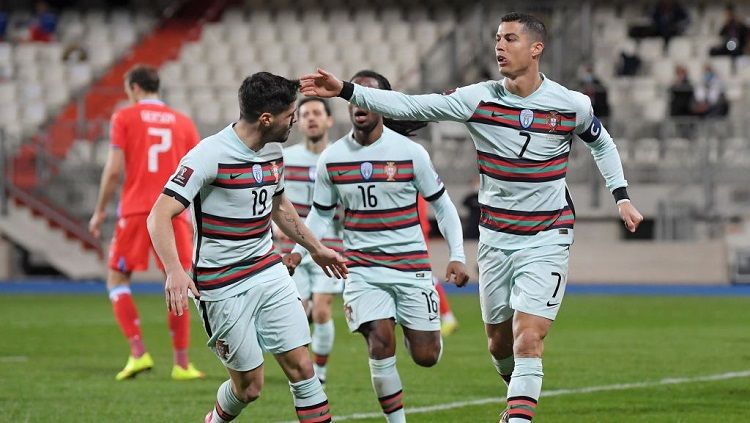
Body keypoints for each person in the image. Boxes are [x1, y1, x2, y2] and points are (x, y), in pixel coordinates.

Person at [299, 13, 643, 423]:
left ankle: (518, 417)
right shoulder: (478, 98)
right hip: (496, 237)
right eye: (497, 38)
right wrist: (348, 91)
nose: (499, 46)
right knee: (499, 345)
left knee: (528, 337)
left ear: (536, 48)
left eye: (510, 39)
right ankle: (516, 393)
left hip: (548, 233)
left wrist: (620, 195)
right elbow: (411, 104)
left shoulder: (571, 104)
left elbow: (602, 145)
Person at [147, 72, 347, 423]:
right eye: (290, 115)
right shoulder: (209, 154)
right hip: (220, 283)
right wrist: (175, 270)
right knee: (249, 388)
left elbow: (281, 207)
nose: (295, 121)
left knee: (303, 367)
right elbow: (159, 215)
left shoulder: (273, 151)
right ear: (266, 119)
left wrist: (314, 247)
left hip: (267, 271)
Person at [287, 70, 469, 423]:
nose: (360, 104)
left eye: (369, 97)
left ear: (383, 105)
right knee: (380, 343)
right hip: (363, 270)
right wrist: (301, 249)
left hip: (411, 267)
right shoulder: (333, 158)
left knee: (426, 356)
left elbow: (443, 205)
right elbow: (320, 214)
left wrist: (457, 256)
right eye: (355, 97)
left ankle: (419, 328)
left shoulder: (410, 153)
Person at [88, 64, 204, 381]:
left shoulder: (124, 117)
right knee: (179, 281)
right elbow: (198, 172)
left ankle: (138, 353)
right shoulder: (184, 123)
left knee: (117, 279)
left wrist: (99, 211)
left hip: (137, 210)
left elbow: (113, 171)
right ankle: (182, 364)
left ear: (135, 88)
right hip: (175, 211)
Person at [274, 96, 344, 384]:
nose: (311, 118)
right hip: (292, 249)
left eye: (317, 113)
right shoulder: (286, 158)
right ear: (298, 122)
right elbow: (271, 199)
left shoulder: (341, 157)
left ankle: (321, 373)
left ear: (329, 120)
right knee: (300, 313)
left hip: (330, 246)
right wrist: (273, 226)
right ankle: (304, 368)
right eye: (305, 114)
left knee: (323, 308)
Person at [416, 195, 459, 336]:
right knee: (420, 275)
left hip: (414, 231)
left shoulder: (409, 175)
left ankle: (447, 317)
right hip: (414, 230)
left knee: (422, 275)